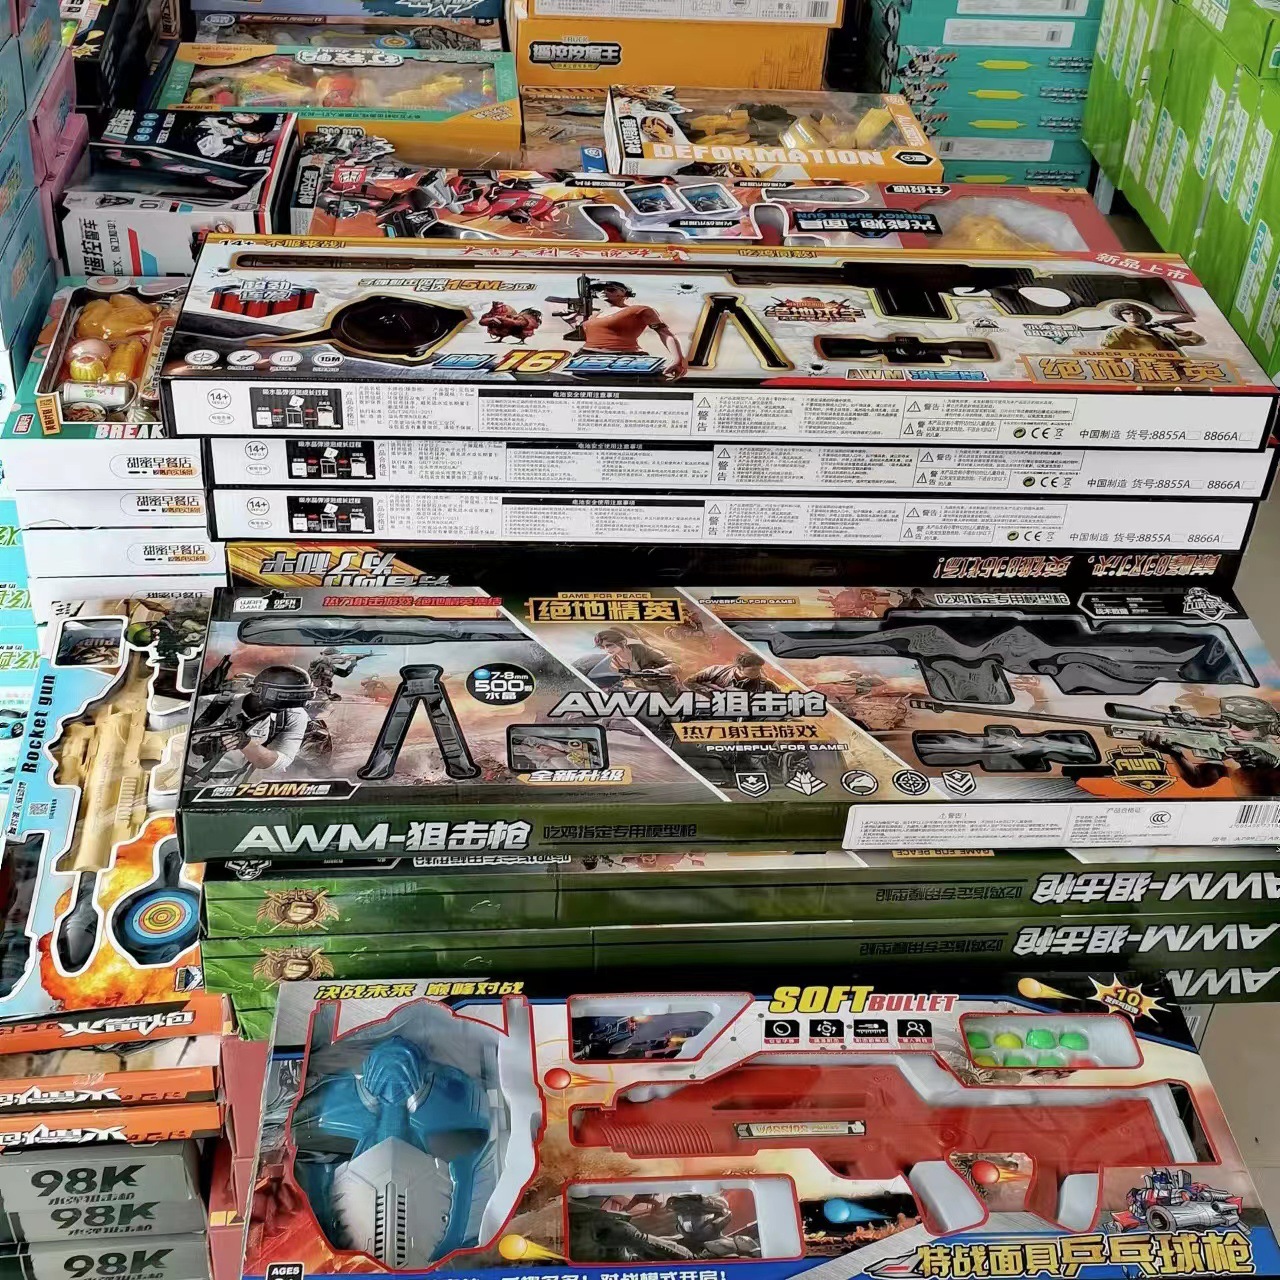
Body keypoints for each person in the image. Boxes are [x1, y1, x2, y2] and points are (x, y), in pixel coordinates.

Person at [190, 664, 312, 782]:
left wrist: (245, 743)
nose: (291, 704)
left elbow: (280, 763)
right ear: (258, 689)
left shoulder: (293, 716)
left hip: (233, 783)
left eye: (299, 697)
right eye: (285, 696)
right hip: (188, 777)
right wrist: (199, 747)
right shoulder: (206, 705)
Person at [580, 281, 688, 379]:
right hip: (586, 358)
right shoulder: (594, 316)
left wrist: (678, 359)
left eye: (611, 289)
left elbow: (665, 334)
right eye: (599, 289)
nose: (603, 291)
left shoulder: (639, 310)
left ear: (624, 292)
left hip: (623, 359)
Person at [593, 628, 683, 694]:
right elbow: (627, 679)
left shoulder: (643, 650)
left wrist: (658, 671)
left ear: (623, 642)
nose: (606, 649)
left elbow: (676, 666)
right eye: (602, 647)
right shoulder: (614, 663)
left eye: (609, 645)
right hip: (649, 695)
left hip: (671, 691)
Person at [1101, 302, 1206, 353]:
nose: (1132, 316)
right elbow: (1109, 354)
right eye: (1127, 313)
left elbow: (1195, 339)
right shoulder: (1119, 333)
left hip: (1180, 372)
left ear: (1143, 316)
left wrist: (1172, 327)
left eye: (1136, 313)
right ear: (1122, 316)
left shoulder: (1159, 334)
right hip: (1150, 373)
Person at [687, 651, 780, 695]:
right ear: (739, 667)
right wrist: (713, 693)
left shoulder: (767, 684)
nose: (758, 673)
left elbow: (782, 700)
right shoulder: (715, 670)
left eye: (759, 669)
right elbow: (689, 682)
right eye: (753, 670)